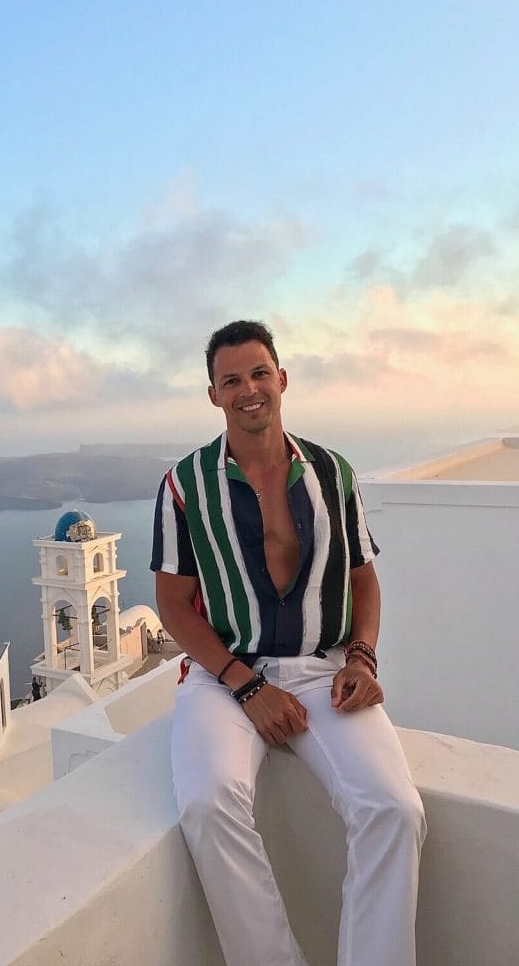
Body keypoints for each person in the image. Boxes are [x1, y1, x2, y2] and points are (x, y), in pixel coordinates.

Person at [150, 320, 425, 966]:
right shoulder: (185, 486)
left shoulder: (333, 472)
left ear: (282, 377)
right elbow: (171, 604)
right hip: (225, 674)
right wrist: (247, 686)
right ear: (213, 395)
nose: (248, 389)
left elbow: (363, 578)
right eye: (231, 380)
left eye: (258, 373)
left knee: (394, 810)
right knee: (209, 801)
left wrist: (363, 655)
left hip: (321, 668)